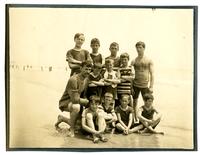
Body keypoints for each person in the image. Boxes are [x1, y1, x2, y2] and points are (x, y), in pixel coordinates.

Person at [55, 60, 92, 137]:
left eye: (89, 70)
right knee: (76, 107)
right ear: (81, 68)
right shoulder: (73, 79)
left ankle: (62, 119)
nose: (88, 71)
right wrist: (88, 102)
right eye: (86, 69)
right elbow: (75, 100)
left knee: (79, 126)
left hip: (77, 100)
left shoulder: (86, 79)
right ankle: (71, 130)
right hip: (65, 102)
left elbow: (83, 95)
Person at [131, 41, 154, 121]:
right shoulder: (134, 61)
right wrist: (131, 87)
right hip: (135, 84)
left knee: (147, 102)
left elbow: (152, 74)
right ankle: (135, 119)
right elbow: (131, 75)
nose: (138, 49)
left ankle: (147, 119)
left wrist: (151, 86)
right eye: (137, 47)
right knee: (134, 103)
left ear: (144, 48)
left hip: (145, 85)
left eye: (140, 47)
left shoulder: (149, 60)